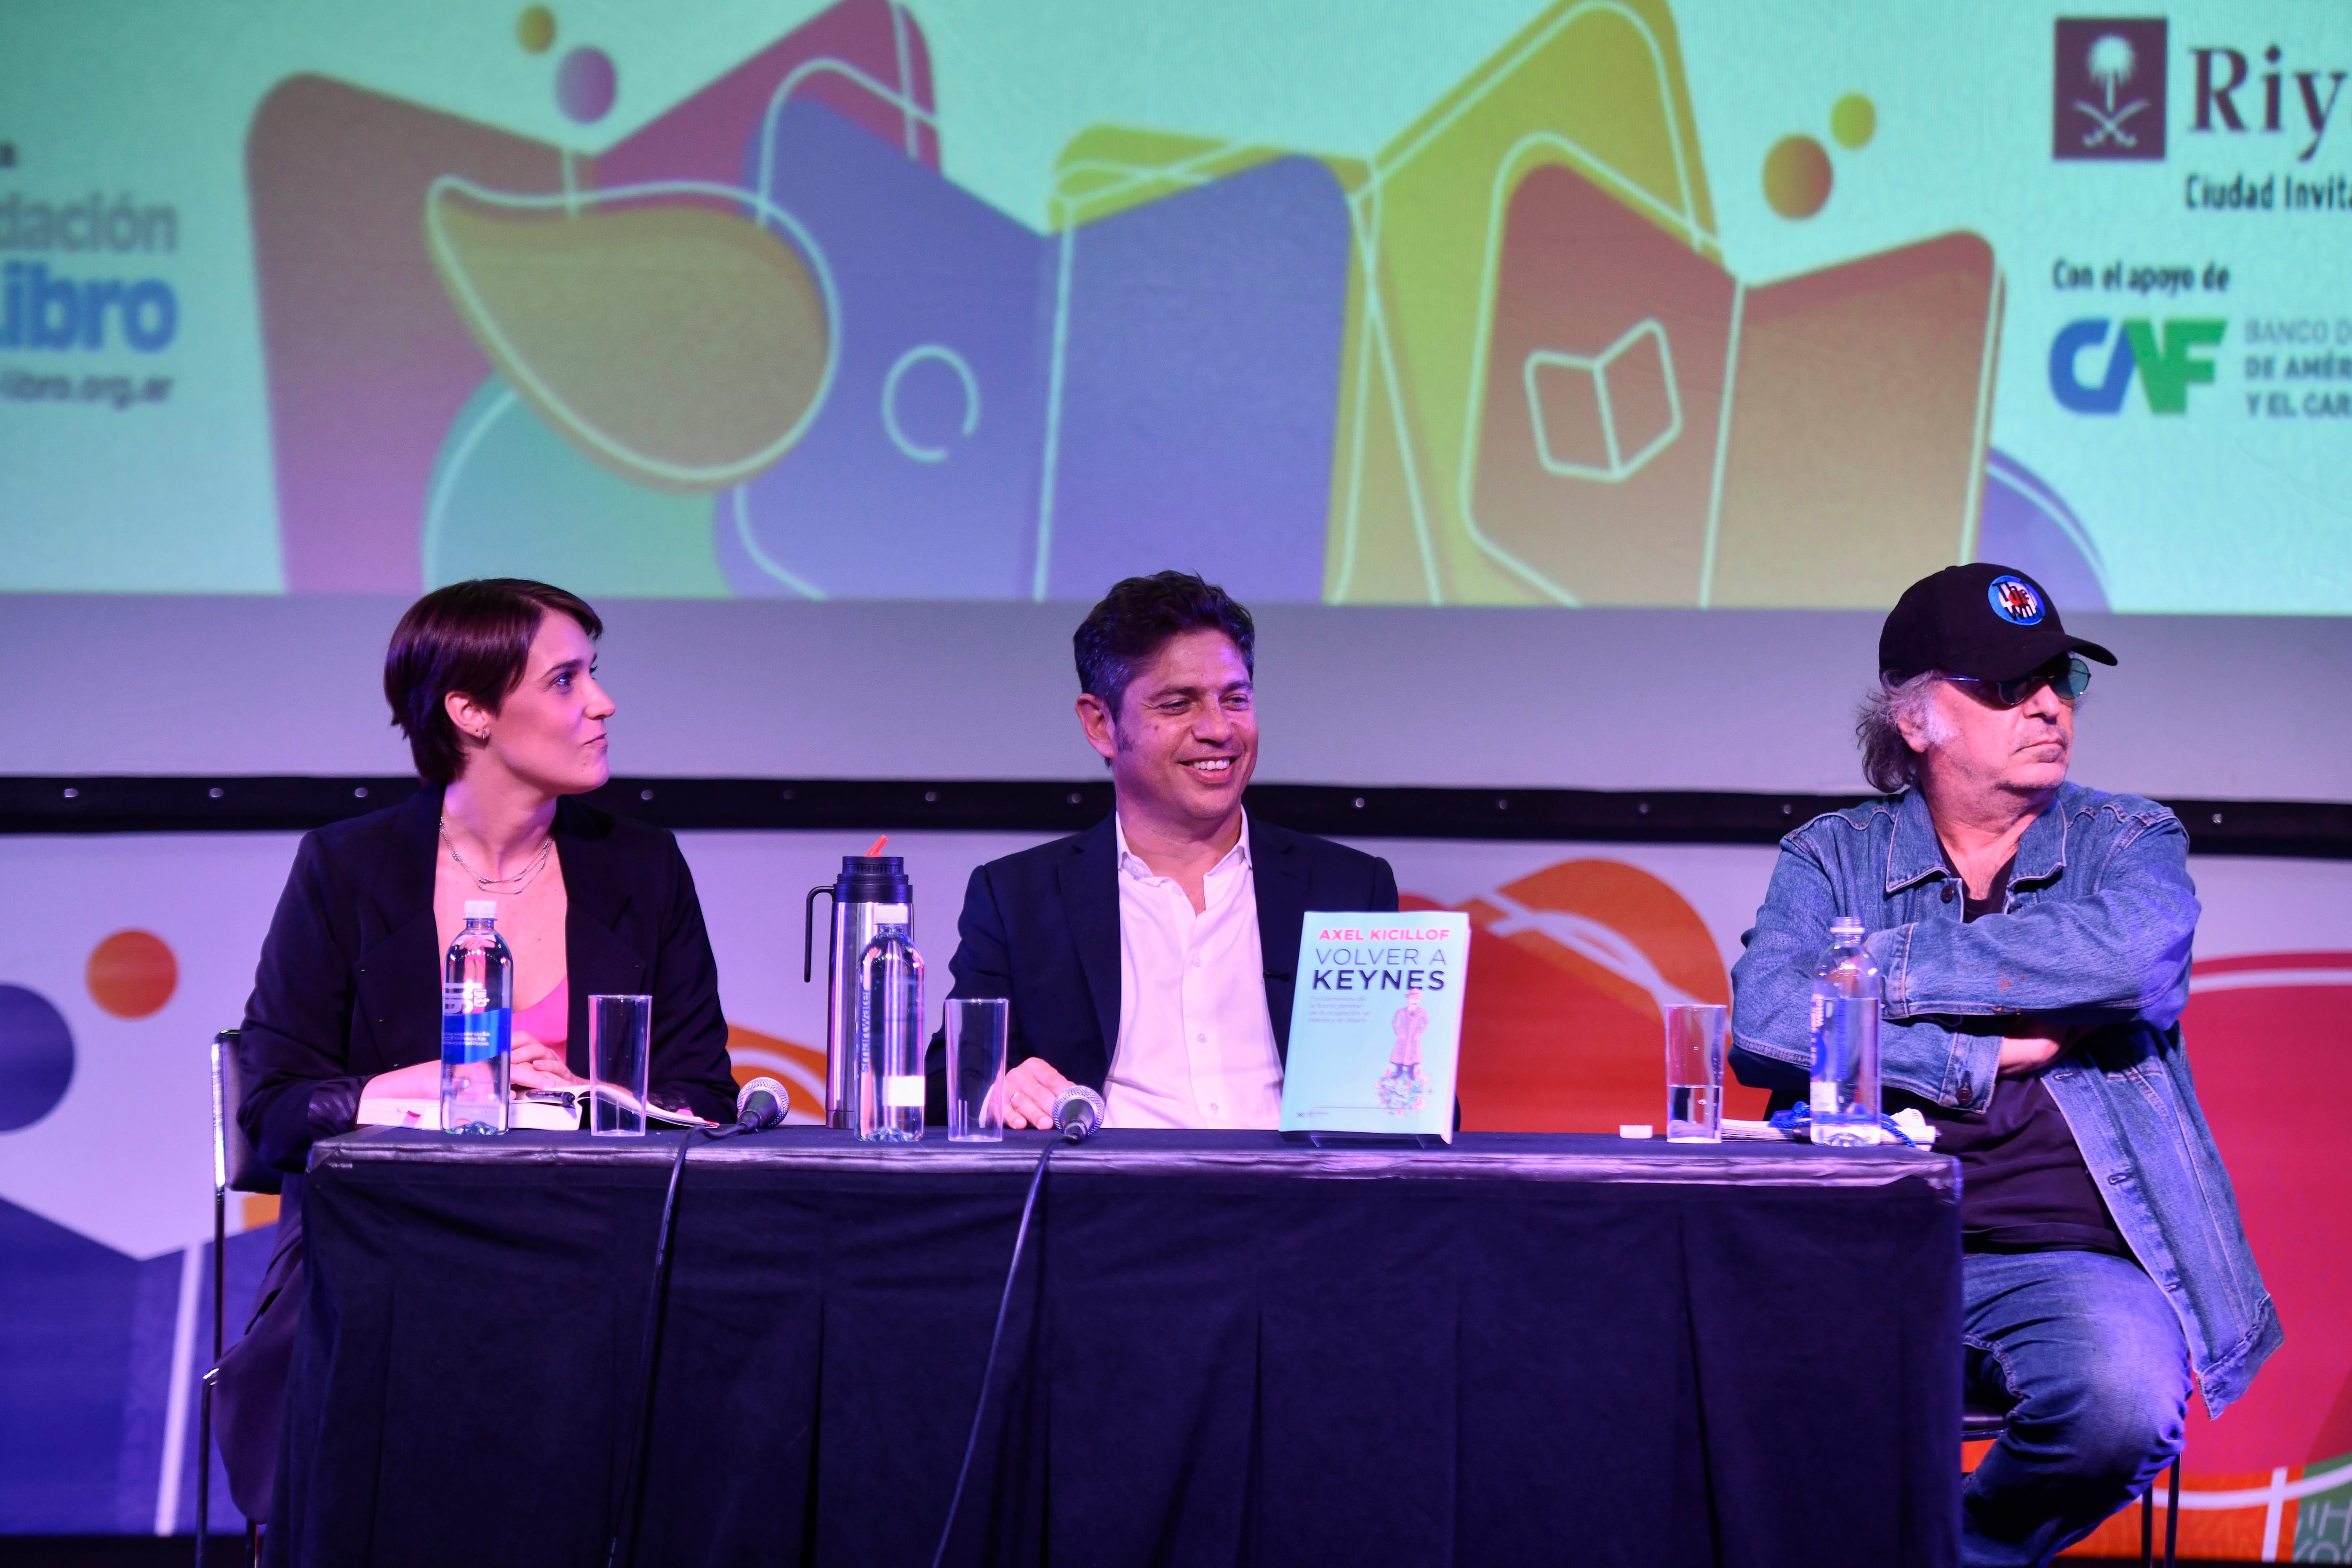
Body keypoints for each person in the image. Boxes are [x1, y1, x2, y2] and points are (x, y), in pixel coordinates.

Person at [1729, 563, 2279, 1568]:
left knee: (2116, 1406)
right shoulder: (1830, 857)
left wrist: (1868, 972)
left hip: (2062, 1255)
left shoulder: (2126, 838)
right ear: (1915, 718)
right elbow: (1764, 1020)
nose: (2046, 705)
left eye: (2059, 678)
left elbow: (2130, 956)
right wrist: (1967, 1060)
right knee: (1686, 1375)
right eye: (2002, 683)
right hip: (1857, 1237)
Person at [216, 579, 739, 1520]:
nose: (602, 702)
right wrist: (410, 1089)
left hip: (597, 1252)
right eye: (567, 679)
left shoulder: (643, 865)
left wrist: (569, 1097)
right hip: (391, 1256)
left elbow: (704, 1095)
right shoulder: (347, 868)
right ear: (470, 711)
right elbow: (273, 1113)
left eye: (595, 674)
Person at [932, 571, 1398, 1130]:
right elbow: (950, 1077)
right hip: (1105, 1203)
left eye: (1236, 699)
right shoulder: (1017, 898)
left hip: (1300, 1206)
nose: (1218, 729)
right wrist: (1000, 1087)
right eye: (1178, 705)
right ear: (1100, 724)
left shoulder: (1348, 887)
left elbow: (1411, 1098)